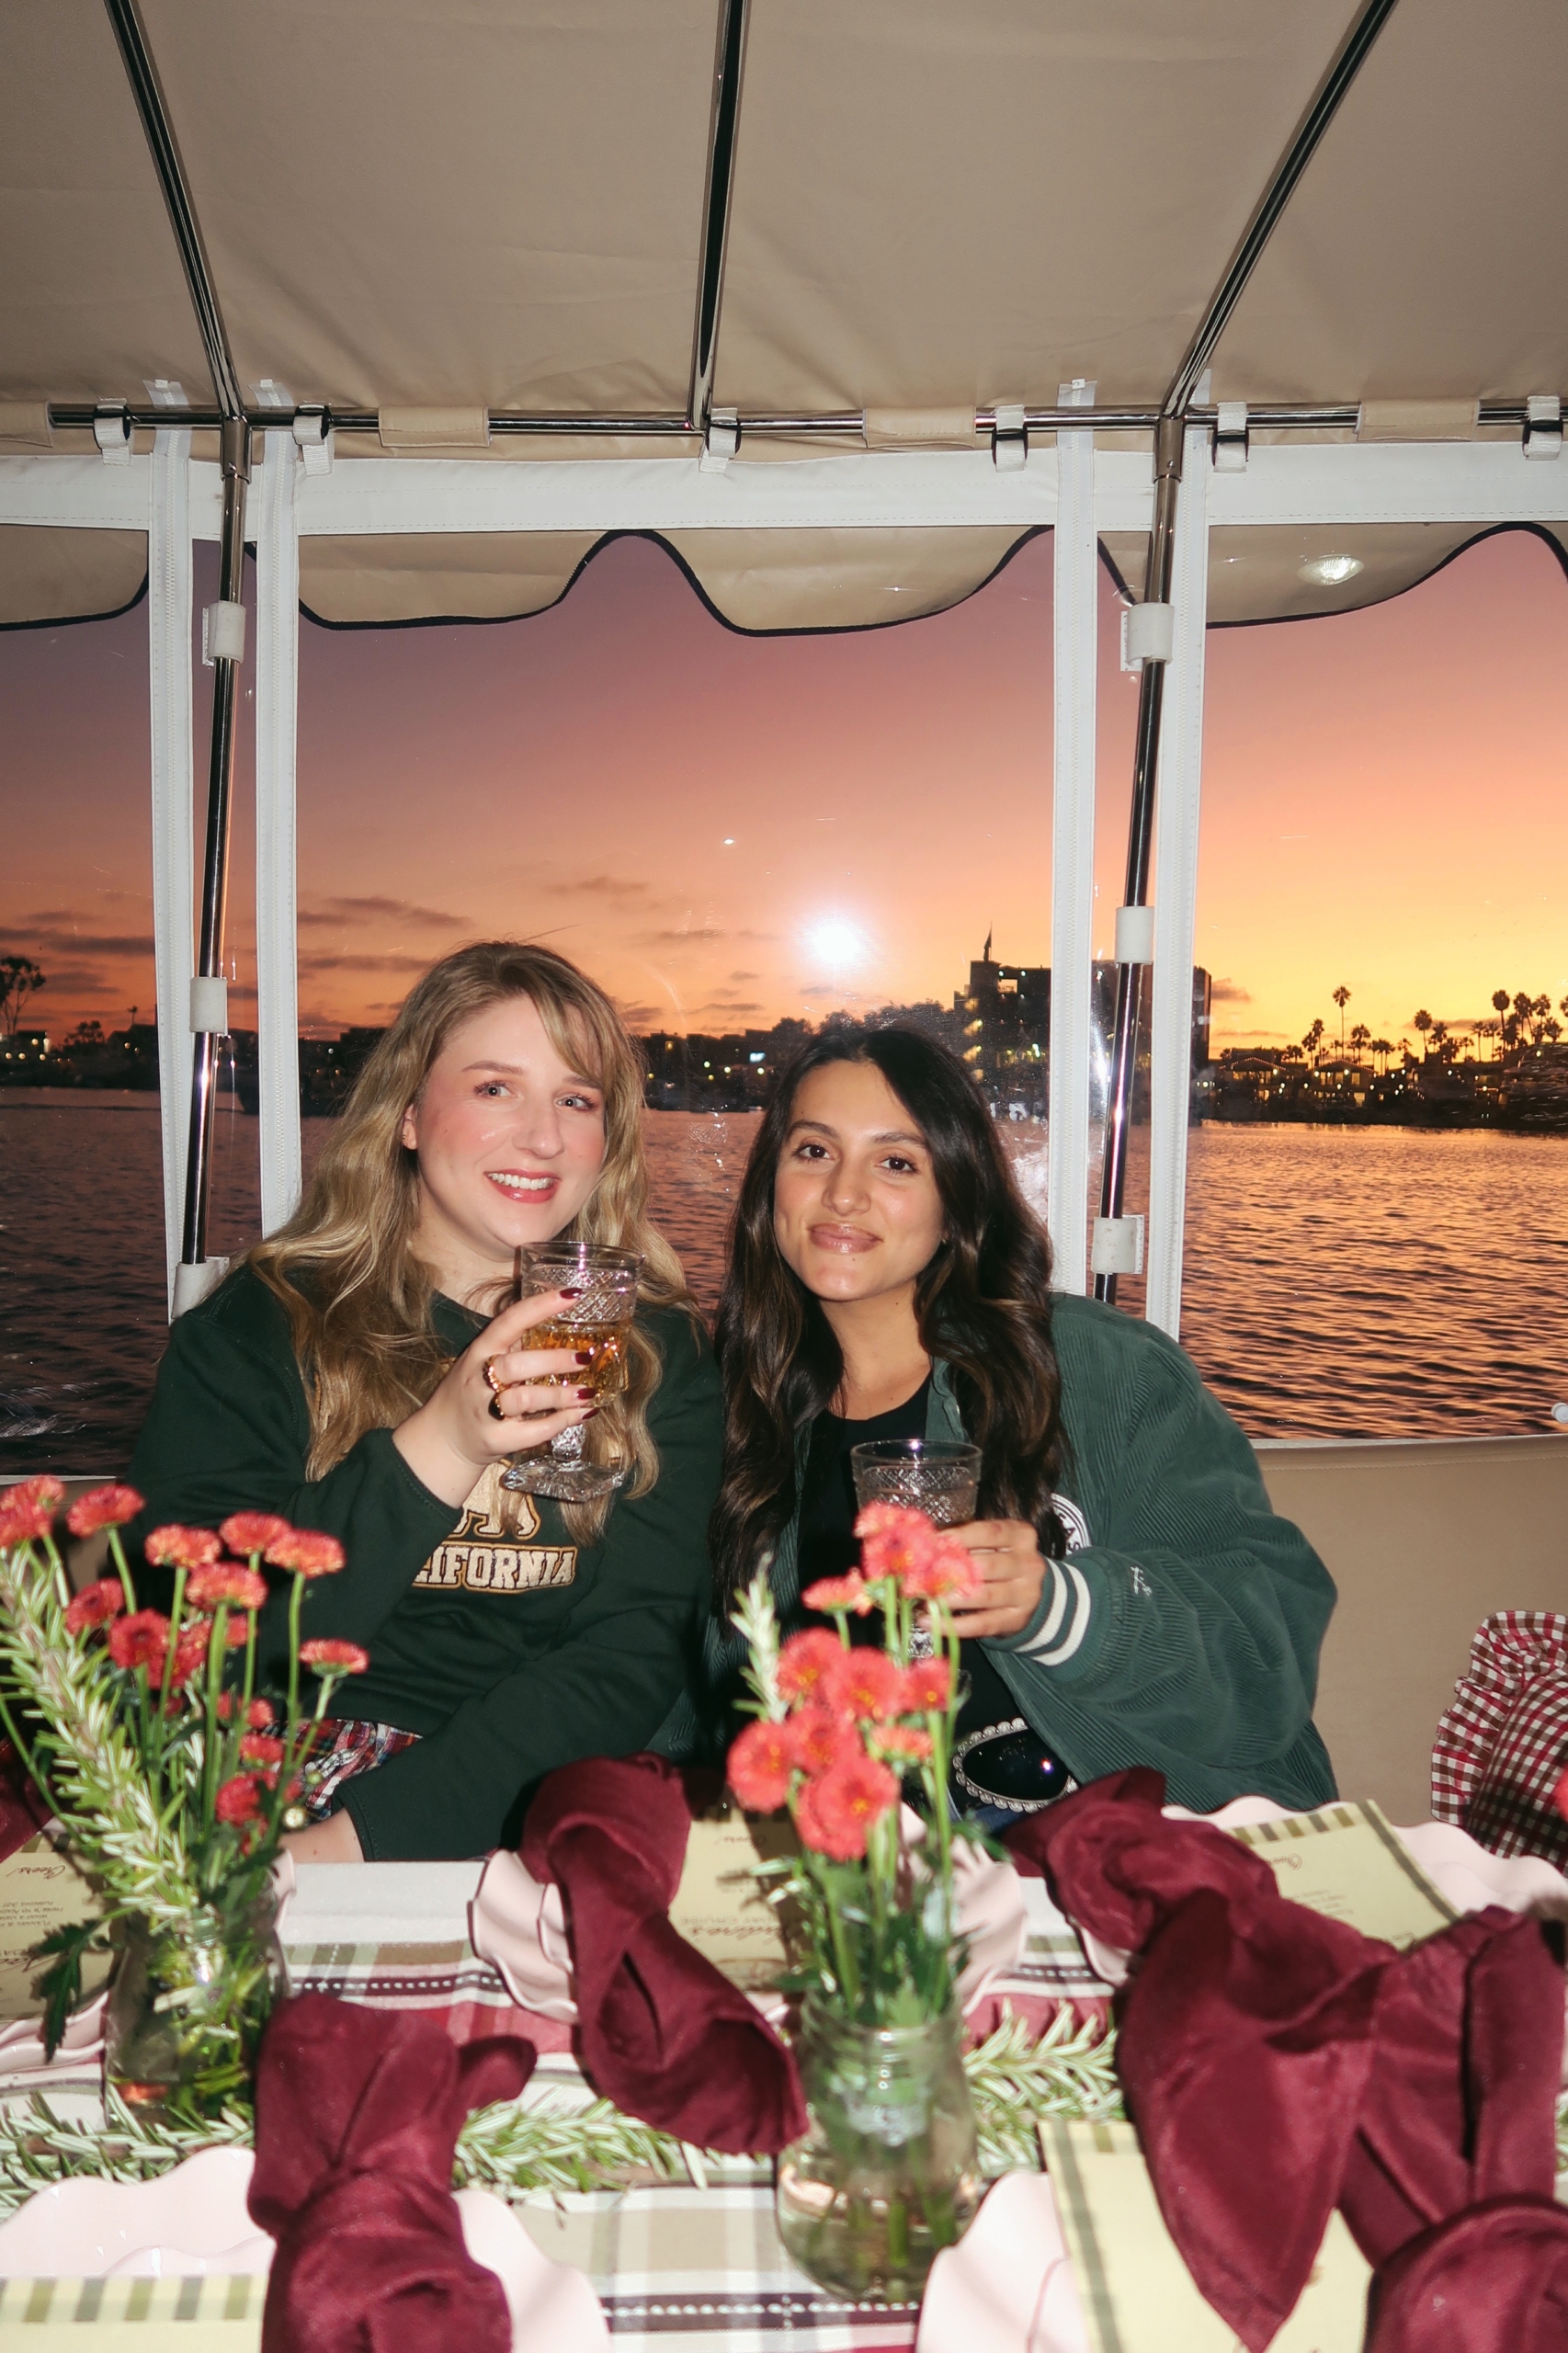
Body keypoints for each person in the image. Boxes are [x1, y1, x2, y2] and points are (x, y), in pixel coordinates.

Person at [128, 942, 722, 1861]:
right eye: (494, 1088)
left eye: (577, 1098)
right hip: (250, 1764)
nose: (542, 1137)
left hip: (506, 1796)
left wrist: (369, 1836)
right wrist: (440, 1442)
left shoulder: (655, 1352)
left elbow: (628, 1654)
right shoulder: (262, 1324)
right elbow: (197, 1635)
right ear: (407, 1114)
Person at [667, 1025, 1336, 1820]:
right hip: (889, 1876)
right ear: (769, 1186)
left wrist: (1058, 1606)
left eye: (896, 1162)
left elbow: (1267, 1658)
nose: (843, 1194)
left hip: (1150, 1842)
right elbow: (697, 1708)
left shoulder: (1099, 1371)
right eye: (813, 1151)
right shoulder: (739, 1419)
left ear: (957, 1201)